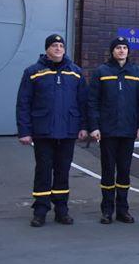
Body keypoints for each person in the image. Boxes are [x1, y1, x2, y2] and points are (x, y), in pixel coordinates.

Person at [16, 34, 89, 227]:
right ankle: (40, 211)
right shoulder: (33, 72)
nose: (58, 48)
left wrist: (83, 127)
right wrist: (24, 130)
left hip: (68, 131)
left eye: (61, 45)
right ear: (47, 49)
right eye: (54, 45)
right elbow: (23, 103)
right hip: (43, 131)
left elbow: (83, 102)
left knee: (63, 171)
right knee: (43, 170)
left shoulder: (75, 72)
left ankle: (61, 210)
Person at [87, 36, 139, 224]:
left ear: (128, 51)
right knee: (108, 171)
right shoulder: (102, 71)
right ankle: (107, 210)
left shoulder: (137, 72)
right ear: (112, 51)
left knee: (124, 172)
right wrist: (94, 126)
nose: (121, 51)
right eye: (118, 48)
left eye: (124, 48)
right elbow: (93, 101)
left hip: (128, 130)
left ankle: (123, 210)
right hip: (108, 130)